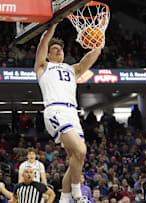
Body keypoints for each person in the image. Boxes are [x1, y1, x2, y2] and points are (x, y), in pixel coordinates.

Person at [35, 22, 102, 203]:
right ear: (48, 54)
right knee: (81, 150)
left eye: (60, 49)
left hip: (72, 113)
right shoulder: (42, 67)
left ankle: (64, 199)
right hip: (55, 110)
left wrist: (98, 45)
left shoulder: (71, 69)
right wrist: (52, 29)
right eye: (54, 49)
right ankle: (77, 194)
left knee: (76, 157)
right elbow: (42, 45)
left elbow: (87, 61)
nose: (58, 51)